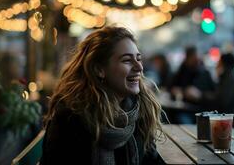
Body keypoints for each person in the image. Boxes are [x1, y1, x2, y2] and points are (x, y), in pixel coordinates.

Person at [40, 26, 163, 165]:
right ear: (99, 69)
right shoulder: (71, 117)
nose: (139, 67)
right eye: (127, 60)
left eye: (138, 59)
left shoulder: (139, 110)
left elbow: (151, 160)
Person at [213, 53, 234, 131]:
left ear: (225, 64)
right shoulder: (229, 77)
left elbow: (222, 101)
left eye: (219, 62)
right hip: (231, 125)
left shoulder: (230, 80)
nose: (217, 65)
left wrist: (201, 96)